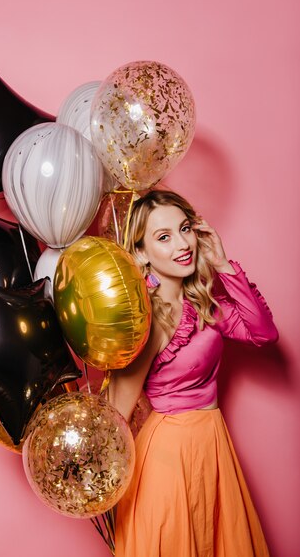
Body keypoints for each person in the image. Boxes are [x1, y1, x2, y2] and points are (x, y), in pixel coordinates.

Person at [108, 189, 279, 557]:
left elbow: (263, 333)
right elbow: (117, 414)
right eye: (163, 237)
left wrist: (221, 264)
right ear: (141, 253)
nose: (182, 244)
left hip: (212, 444)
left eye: (185, 229)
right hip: (169, 457)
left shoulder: (203, 302)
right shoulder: (146, 321)